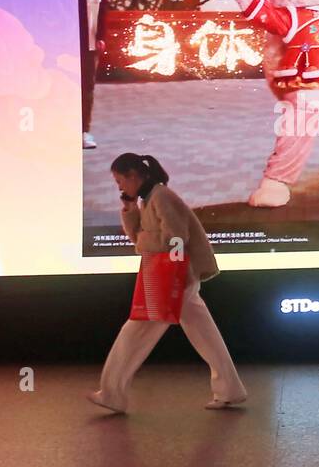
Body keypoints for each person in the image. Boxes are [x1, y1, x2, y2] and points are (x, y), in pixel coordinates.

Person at [87, 153, 247, 414]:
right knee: (203, 334)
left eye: (120, 180)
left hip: (173, 279)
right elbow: (140, 236)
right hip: (174, 277)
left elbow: (175, 239)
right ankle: (229, 389)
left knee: (136, 331)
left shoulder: (161, 196)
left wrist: (142, 240)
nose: (119, 187)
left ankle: (112, 393)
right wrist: (129, 209)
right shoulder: (151, 198)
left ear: (134, 175)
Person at [77, 0, 103, 149]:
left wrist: (101, 37)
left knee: (86, 90)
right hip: (63, 46)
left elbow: (103, 13)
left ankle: (83, 131)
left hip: (89, 46)